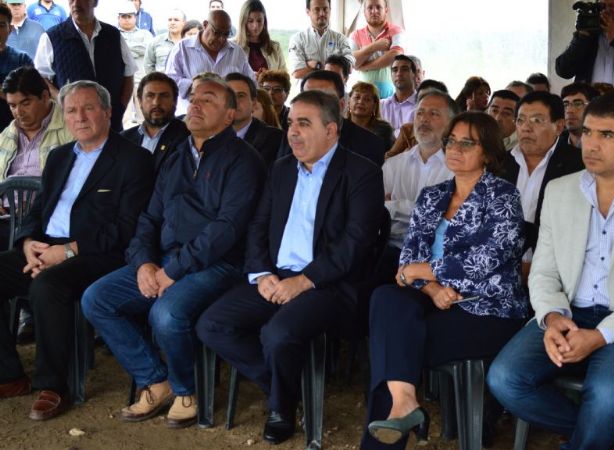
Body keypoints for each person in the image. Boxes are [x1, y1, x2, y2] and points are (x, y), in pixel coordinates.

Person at [487, 93, 614, 450]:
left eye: (607, 135)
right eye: (587, 132)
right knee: (505, 378)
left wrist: (601, 335)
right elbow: (543, 270)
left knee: (607, 392)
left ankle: (593, 431)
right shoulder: (560, 190)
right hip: (571, 313)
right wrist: (552, 316)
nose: (592, 144)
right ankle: (600, 431)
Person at [196, 90, 383, 444]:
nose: (292, 132)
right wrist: (261, 273)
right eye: (290, 123)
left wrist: (305, 281)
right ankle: (286, 383)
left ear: (331, 131)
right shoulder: (281, 169)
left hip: (328, 284)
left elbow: (355, 244)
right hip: (275, 276)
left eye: (304, 124)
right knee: (212, 324)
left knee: (277, 334)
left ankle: (280, 406)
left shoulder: (362, 173)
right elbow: (257, 227)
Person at [81, 74, 265, 429]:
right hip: (166, 261)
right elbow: (149, 218)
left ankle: (187, 390)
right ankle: (155, 379)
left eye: (208, 99)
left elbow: (225, 230)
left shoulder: (244, 161)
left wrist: (171, 272)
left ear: (229, 115)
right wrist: (144, 264)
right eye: (194, 97)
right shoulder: (177, 157)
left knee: (165, 315)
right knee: (96, 299)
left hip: (219, 265)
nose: (195, 103)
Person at [363, 111, 528, 449]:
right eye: (451, 140)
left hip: (487, 310)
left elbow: (485, 260)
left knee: (392, 345)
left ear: (489, 152)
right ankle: (405, 401)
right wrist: (433, 287)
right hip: (432, 300)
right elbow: (408, 257)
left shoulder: (503, 196)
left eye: (467, 142)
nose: (454, 148)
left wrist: (424, 273)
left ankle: (389, 427)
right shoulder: (432, 195)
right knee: (385, 297)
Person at [0, 80, 153, 420]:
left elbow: (126, 229)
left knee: (47, 285)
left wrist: (67, 251)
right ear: (64, 116)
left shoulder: (133, 159)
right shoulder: (58, 157)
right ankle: (9, 375)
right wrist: (28, 244)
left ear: (108, 112)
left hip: (96, 256)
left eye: (88, 108)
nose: (79, 116)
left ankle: (54, 385)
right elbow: (37, 211)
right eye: (71, 110)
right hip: (45, 248)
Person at [377, 89, 457, 283]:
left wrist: (394, 205)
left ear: (451, 125)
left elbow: (443, 220)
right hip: (391, 248)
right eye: (420, 113)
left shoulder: (457, 169)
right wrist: (421, 209)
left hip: (436, 259)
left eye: (434, 114)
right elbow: (374, 210)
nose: (423, 119)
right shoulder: (393, 165)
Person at [504, 91, 584, 270]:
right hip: (502, 272)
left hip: (555, 272)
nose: (526, 128)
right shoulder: (500, 164)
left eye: (536, 120)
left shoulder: (579, 166)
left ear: (559, 126)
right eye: (520, 120)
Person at [33, 0, 138, 131]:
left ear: (95, 2)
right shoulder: (51, 37)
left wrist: (120, 108)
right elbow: (42, 78)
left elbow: (128, 74)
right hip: (74, 126)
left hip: (111, 122)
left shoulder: (113, 35)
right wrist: (63, 100)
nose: (76, 3)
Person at [276, 70, 384, 166]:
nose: (314, 105)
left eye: (323, 99)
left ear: (341, 105)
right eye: (308, 98)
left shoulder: (370, 145)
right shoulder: (291, 137)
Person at [165, 10, 254, 116]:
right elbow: (169, 81)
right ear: (205, 25)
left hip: (227, 118)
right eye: (216, 32)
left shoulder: (237, 52)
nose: (221, 39)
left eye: (225, 34)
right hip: (190, 117)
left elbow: (251, 83)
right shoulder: (182, 48)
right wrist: (194, 86)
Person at [0, 66, 72, 183]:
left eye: (25, 103)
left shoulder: (72, 129)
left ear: (44, 97)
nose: (19, 112)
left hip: (50, 201)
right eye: (13, 106)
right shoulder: (4, 138)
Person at [120, 72, 189, 173]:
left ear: (175, 101)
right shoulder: (124, 139)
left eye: (164, 96)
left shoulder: (187, 137)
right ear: (140, 101)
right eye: (150, 96)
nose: (156, 102)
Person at [225, 72, 284, 167]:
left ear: (254, 103)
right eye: (229, 96)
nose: (234, 102)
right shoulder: (208, 138)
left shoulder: (276, 139)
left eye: (240, 95)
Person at [350, 0, 405, 98]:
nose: (374, 11)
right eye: (370, 8)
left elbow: (395, 55)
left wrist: (363, 66)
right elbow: (352, 61)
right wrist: (374, 46)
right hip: (363, 97)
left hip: (390, 97)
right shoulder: (355, 35)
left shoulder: (396, 31)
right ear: (364, 11)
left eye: (378, 7)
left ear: (386, 10)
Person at [384, 79, 450, 159]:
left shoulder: (456, 134)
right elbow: (389, 158)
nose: (426, 104)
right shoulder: (407, 131)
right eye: (421, 100)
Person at [289, 0, 354, 80]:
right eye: (317, 9)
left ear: (330, 10)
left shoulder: (340, 38)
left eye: (325, 9)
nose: (322, 13)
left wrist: (316, 65)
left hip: (334, 91)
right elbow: (297, 72)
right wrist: (333, 69)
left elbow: (349, 68)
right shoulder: (298, 39)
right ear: (308, 12)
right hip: (308, 92)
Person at [118, 4, 152, 126]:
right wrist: (135, 48)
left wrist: (125, 48)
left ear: (135, 17)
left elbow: (146, 49)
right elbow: (116, 52)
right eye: (124, 16)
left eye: (130, 16)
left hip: (141, 80)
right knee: (123, 117)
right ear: (118, 18)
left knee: (144, 115)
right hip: (121, 81)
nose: (127, 19)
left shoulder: (145, 34)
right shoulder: (114, 34)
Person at [0, 3, 32, 131]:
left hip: (15, 131)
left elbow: (31, 97)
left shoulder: (22, 59)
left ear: (10, 28)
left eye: (1, 26)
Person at [235, 0, 286, 74]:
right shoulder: (233, 47)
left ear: (264, 21)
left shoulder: (275, 47)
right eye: (250, 21)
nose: (255, 26)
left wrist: (269, 77)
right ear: (243, 22)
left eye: (259, 21)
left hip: (271, 85)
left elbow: (284, 78)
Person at [347, 81, 394, 152]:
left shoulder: (384, 130)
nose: (361, 102)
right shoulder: (340, 127)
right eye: (357, 97)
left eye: (367, 99)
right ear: (349, 102)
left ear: (374, 106)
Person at [380, 55, 417, 136]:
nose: (399, 73)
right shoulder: (381, 105)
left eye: (404, 69)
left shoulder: (422, 106)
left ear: (414, 74)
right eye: (395, 70)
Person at [143, 9, 185, 74]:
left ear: (184, 23)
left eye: (176, 20)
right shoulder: (155, 42)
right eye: (170, 20)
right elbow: (148, 66)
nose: (172, 23)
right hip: (161, 82)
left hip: (184, 83)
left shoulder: (188, 43)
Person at [560, 82, 599, 148]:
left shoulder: (603, 144)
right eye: (565, 105)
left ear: (593, 108)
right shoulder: (555, 144)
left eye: (577, 104)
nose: (569, 110)